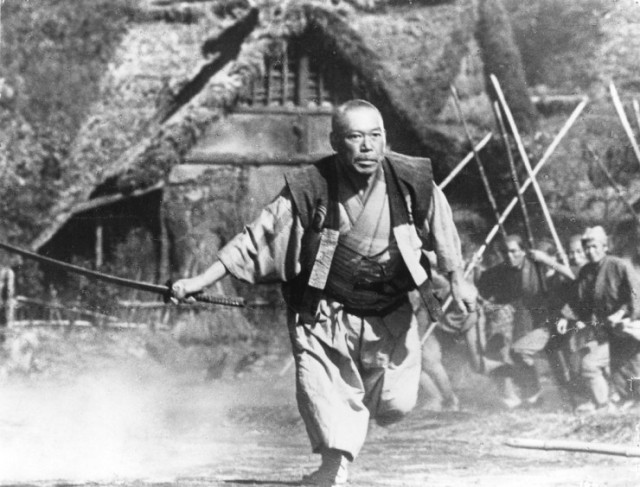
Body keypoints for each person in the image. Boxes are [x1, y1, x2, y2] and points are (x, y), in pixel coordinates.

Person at [171, 100, 475, 486]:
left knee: (396, 404)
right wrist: (200, 281)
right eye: (355, 137)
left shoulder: (411, 180)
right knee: (325, 388)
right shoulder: (312, 186)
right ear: (335, 142)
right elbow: (256, 238)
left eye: (375, 135)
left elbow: (444, 231)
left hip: (389, 309)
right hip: (323, 310)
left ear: (385, 138)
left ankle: (354, 416)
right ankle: (333, 466)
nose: (367, 146)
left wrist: (458, 278)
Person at [572, 226, 640, 411]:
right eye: (586, 247)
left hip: (630, 326)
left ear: (605, 246)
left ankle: (628, 400)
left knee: (630, 364)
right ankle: (611, 401)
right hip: (608, 329)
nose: (590, 251)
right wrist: (577, 319)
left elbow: (635, 295)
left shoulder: (619, 265)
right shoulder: (586, 272)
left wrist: (622, 313)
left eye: (594, 246)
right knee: (612, 364)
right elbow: (582, 302)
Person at [477, 235, 548, 408]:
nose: (509, 256)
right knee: (500, 352)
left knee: (521, 353)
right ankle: (509, 396)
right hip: (505, 316)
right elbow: (478, 296)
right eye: (505, 252)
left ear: (523, 251)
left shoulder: (536, 268)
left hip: (530, 314)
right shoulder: (497, 272)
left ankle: (533, 392)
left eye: (514, 251)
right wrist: (494, 308)